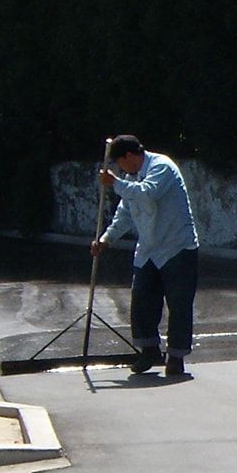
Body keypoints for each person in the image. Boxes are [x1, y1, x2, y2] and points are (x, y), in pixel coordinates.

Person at [90, 134, 201, 377]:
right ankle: (149, 350)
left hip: (177, 247)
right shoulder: (130, 178)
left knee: (179, 304)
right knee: (141, 299)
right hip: (149, 249)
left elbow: (148, 193)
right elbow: (124, 215)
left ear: (129, 156)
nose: (121, 170)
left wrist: (115, 183)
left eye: (121, 163)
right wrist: (106, 240)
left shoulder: (162, 167)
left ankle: (176, 357)